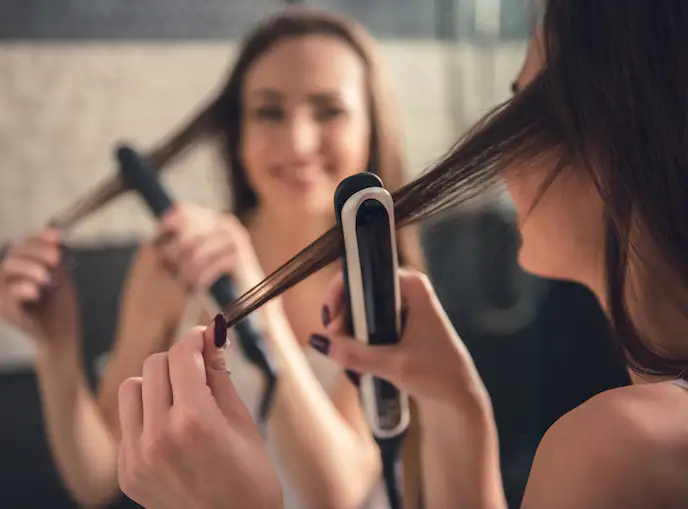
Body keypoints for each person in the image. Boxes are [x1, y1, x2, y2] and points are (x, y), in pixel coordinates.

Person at [118, 1, 688, 508]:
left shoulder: (615, 452)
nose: (497, 157)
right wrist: (461, 407)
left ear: (619, 137)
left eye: (521, 113)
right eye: (269, 112)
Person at [0, 7, 426, 509]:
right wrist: (56, 349)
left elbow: (337, 494)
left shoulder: (383, 281)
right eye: (270, 112)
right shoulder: (172, 267)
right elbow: (99, 479)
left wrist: (259, 304)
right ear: (238, 136)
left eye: (329, 110)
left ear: (371, 129)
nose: (298, 141)